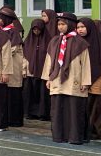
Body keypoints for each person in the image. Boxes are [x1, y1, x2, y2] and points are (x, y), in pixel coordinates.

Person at [42, 12, 91, 144]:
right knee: (58, 108)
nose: (60, 27)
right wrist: (48, 78)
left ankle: (74, 137)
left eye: (63, 24)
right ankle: (59, 136)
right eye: (59, 24)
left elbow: (86, 64)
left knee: (74, 110)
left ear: (70, 25)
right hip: (57, 79)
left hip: (74, 80)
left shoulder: (80, 43)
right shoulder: (54, 41)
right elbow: (49, 61)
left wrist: (85, 82)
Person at [0, 7, 25, 127]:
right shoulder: (2, 30)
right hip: (5, 67)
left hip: (13, 68)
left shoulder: (13, 31)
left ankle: (15, 120)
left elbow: (12, 49)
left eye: (1, 17)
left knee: (14, 93)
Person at [77, 18, 101, 142]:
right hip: (82, 78)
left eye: (82, 27)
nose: (80, 30)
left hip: (97, 78)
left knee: (96, 105)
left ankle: (95, 131)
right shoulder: (77, 43)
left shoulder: (97, 41)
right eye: (78, 27)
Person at [23, 19, 50, 121]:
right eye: (34, 29)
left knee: (42, 94)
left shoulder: (49, 40)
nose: (36, 31)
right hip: (30, 73)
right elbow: (24, 56)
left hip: (43, 73)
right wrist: (24, 70)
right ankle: (29, 113)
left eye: (38, 29)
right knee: (30, 93)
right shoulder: (28, 41)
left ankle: (42, 114)